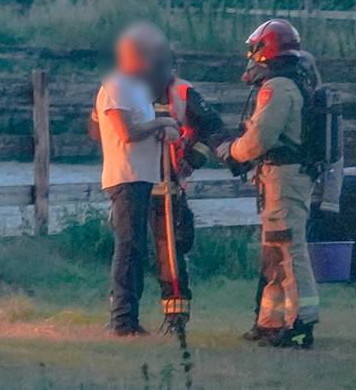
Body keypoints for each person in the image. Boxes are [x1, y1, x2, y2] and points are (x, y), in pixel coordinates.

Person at [94, 22, 217, 336]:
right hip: (130, 178)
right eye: (149, 55)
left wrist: (191, 158)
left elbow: (212, 127)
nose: (154, 63)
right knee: (130, 247)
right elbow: (120, 132)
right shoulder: (118, 86)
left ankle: (154, 319)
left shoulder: (154, 90)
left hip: (161, 182)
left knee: (165, 252)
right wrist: (163, 122)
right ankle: (123, 320)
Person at [217, 19, 322, 348]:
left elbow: (259, 139)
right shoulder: (296, 82)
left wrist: (231, 151)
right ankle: (270, 322)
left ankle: (299, 321)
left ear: (266, 49)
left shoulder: (276, 88)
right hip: (285, 178)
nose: (251, 57)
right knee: (275, 254)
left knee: (289, 251)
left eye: (254, 50)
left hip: (283, 180)